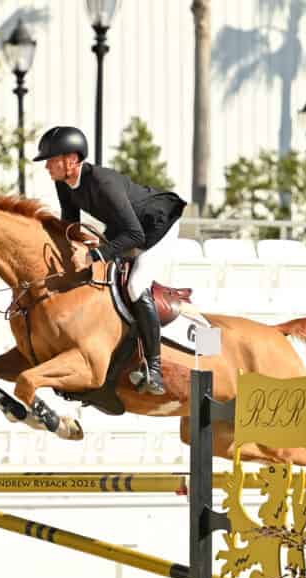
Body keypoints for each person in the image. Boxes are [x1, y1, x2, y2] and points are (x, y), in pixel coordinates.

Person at [33, 125, 186, 396]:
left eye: (52, 160)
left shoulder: (102, 182)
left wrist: (95, 255)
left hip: (158, 224)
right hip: (124, 228)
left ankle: (154, 368)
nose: (47, 167)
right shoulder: (64, 184)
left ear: (72, 160)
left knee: (136, 286)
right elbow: (70, 224)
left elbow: (136, 235)